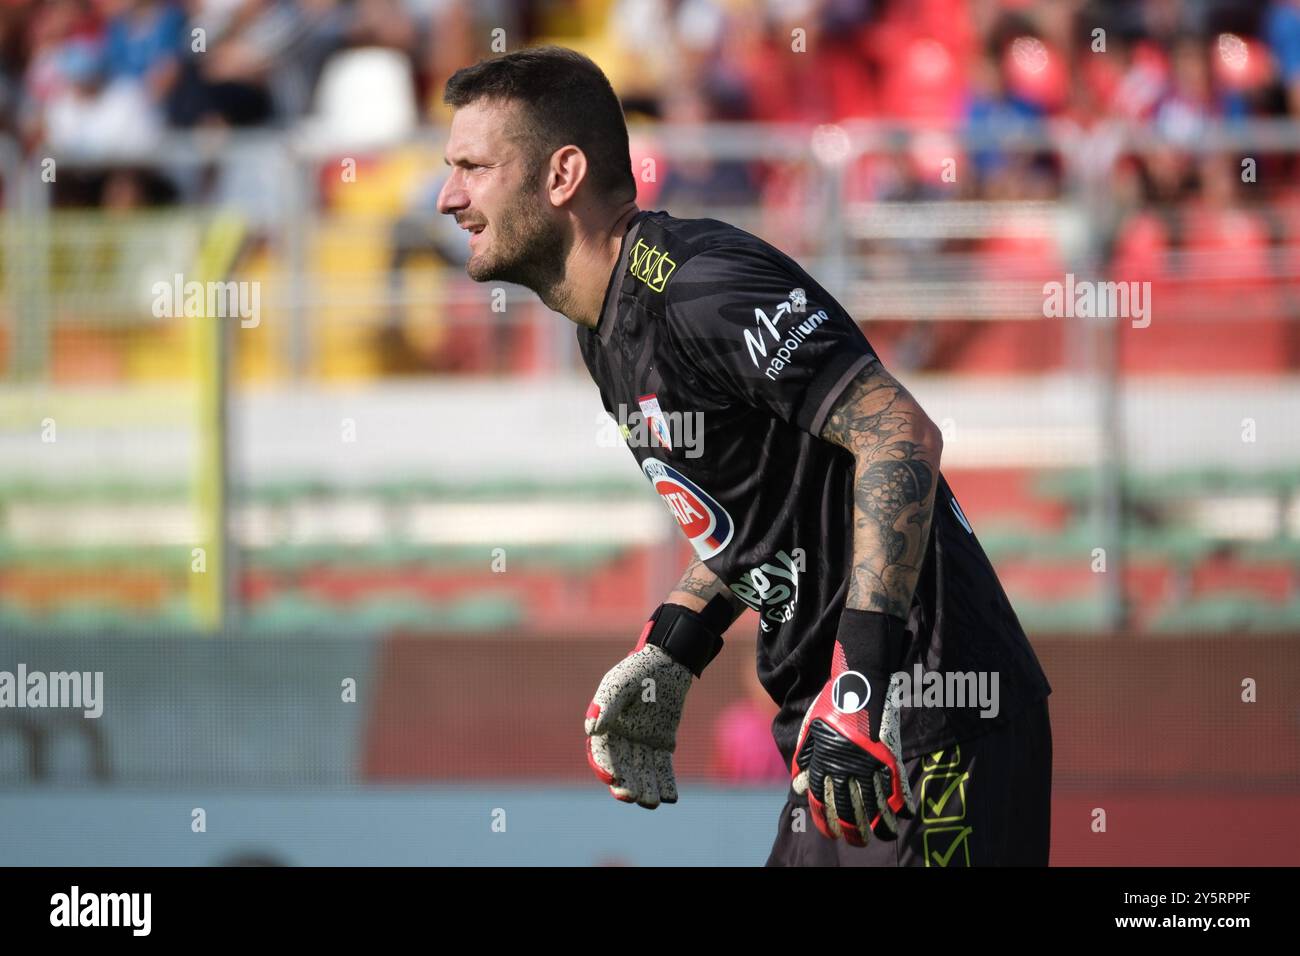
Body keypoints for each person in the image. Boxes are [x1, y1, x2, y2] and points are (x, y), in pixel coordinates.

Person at [436, 46, 1053, 866]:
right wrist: (674, 643)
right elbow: (763, 517)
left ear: (561, 175)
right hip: (832, 737)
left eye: (473, 167)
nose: (449, 197)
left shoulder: (699, 286)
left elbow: (899, 433)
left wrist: (862, 680)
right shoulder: (604, 329)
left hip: (931, 720)